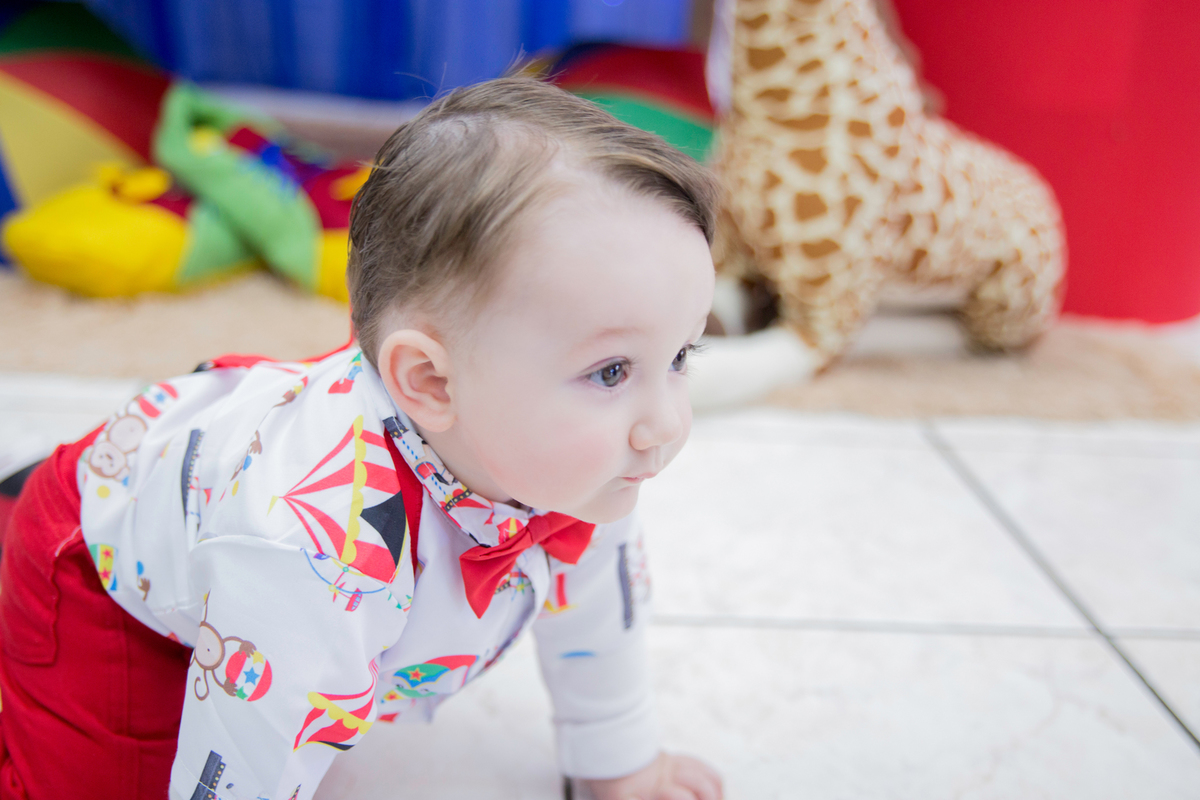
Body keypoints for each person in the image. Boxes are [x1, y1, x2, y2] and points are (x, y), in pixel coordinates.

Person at [0, 77, 723, 800]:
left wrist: (622, 765)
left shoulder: (577, 466)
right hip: (101, 580)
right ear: (431, 382)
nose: (667, 422)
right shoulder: (311, 552)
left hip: (227, 511)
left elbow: (600, 613)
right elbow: (248, 761)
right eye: (610, 371)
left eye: (680, 356)